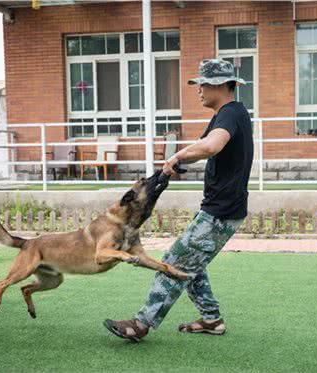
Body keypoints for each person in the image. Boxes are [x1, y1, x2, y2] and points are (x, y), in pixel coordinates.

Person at [104, 59, 254, 342]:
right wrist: (182, 161)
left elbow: (211, 145)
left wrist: (176, 155)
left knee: (174, 261)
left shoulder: (230, 114)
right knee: (191, 263)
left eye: (203, 85)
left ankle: (140, 324)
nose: (199, 91)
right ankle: (211, 319)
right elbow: (206, 149)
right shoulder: (231, 114)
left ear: (220, 85)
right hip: (222, 209)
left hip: (221, 212)